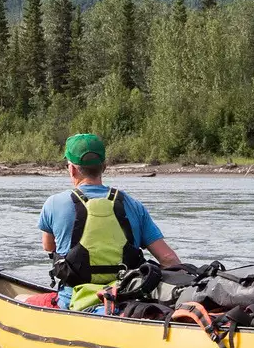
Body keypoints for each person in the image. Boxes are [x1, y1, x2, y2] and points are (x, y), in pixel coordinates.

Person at [37, 133, 181, 311]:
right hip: (126, 297)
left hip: (74, 300)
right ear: (104, 167)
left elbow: (48, 247)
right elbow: (168, 258)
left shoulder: (53, 203)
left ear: (72, 169)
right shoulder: (133, 205)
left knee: (21, 298)